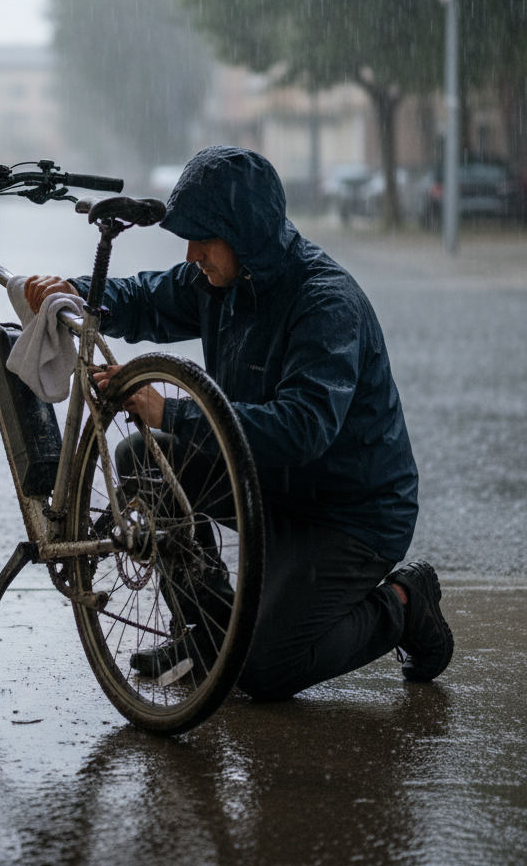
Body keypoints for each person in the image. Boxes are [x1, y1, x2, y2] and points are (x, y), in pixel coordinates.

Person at [25, 145, 453, 700]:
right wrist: (77, 293)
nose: (191, 253)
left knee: (266, 670)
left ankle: (405, 603)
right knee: (142, 463)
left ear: (245, 234)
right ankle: (208, 637)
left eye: (204, 238)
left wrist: (170, 410)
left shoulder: (326, 303)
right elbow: (146, 298)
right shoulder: (220, 280)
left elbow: (301, 429)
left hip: (350, 512)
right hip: (266, 482)